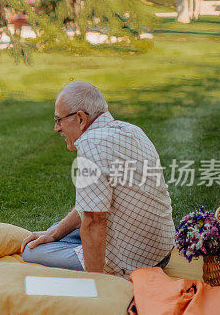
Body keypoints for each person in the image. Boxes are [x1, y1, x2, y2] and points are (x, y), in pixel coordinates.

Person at [21, 80, 174, 278]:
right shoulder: (132, 130)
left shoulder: (91, 144)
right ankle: (58, 235)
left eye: (59, 120)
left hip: (134, 264)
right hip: (161, 252)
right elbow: (91, 207)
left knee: (31, 250)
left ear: (81, 119)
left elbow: (94, 220)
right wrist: (54, 234)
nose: (57, 128)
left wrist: (97, 284)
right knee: (52, 233)